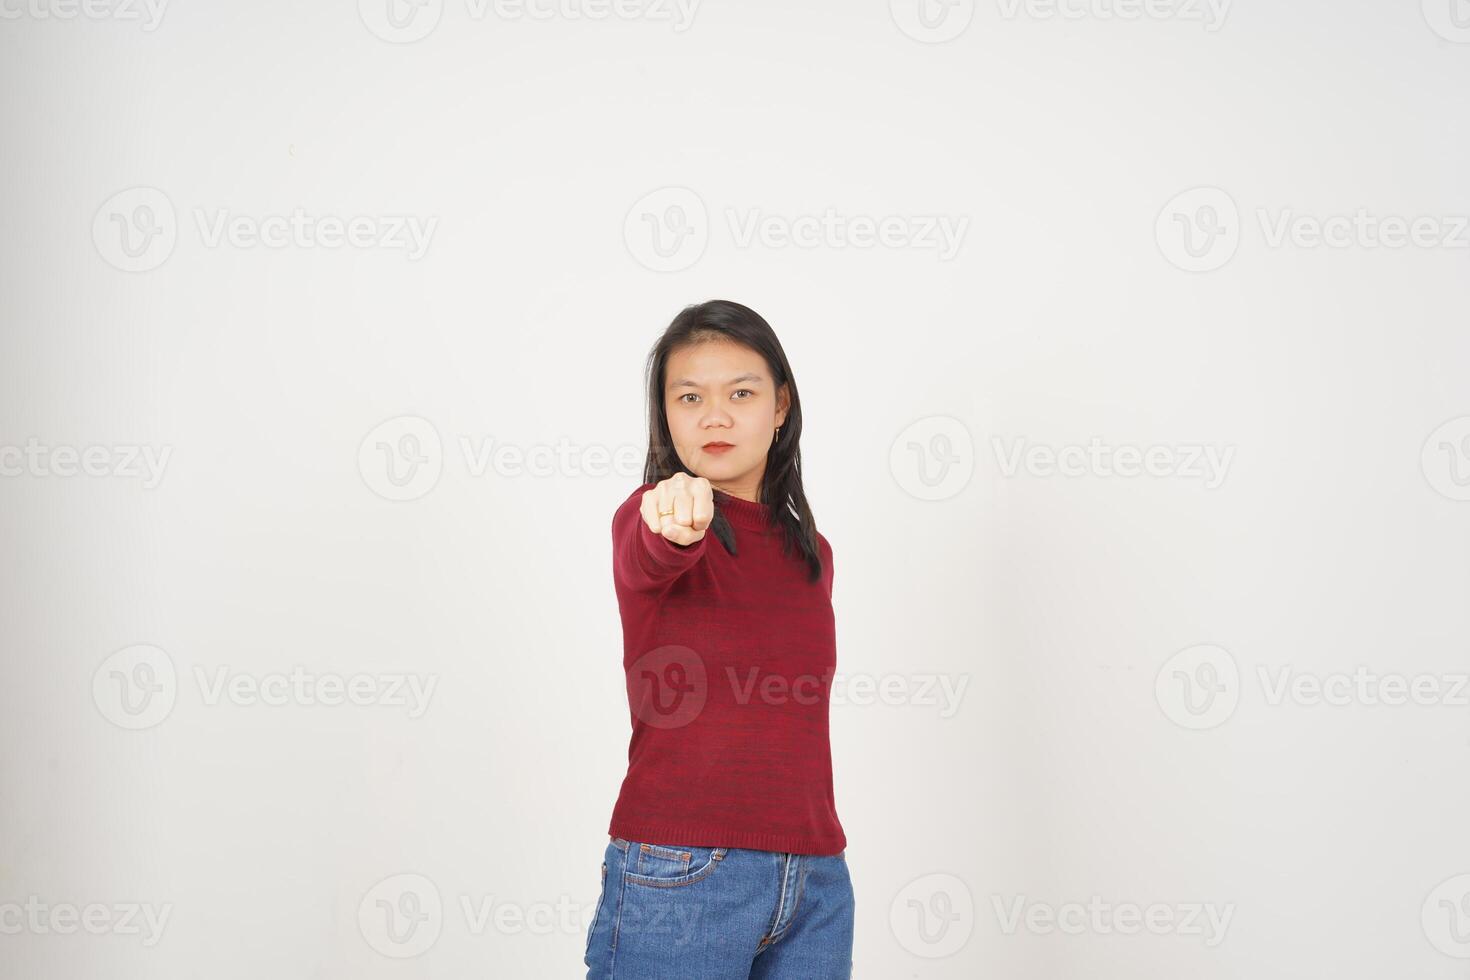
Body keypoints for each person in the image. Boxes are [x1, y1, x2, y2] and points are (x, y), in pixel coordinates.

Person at [583, 300, 855, 978]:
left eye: (741, 392)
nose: (714, 415)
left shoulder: (812, 552)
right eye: (689, 396)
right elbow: (651, 549)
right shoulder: (653, 516)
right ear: (666, 414)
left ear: (780, 405)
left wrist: (816, 870)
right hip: (684, 874)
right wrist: (672, 518)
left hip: (816, 880)